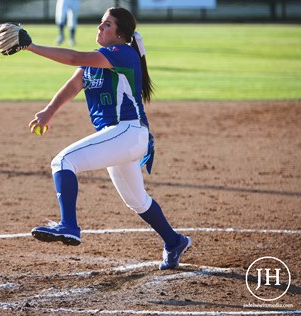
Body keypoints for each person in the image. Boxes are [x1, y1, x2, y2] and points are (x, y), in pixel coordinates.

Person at [25, 7, 191, 270]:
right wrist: (48, 112)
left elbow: (72, 57)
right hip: (119, 137)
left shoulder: (123, 53)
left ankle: (68, 225)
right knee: (137, 200)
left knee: (63, 162)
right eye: (101, 23)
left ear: (120, 34)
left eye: (107, 25)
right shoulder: (95, 61)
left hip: (128, 131)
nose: (100, 28)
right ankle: (174, 241)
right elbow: (73, 83)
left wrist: (30, 46)